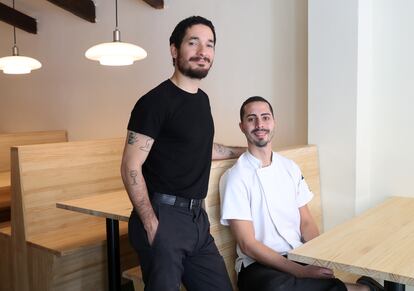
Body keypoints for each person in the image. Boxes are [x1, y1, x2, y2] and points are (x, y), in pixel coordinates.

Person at [121, 16, 244, 291]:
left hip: (197, 220)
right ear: (174, 50)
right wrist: (152, 224)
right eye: (194, 42)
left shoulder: (202, 100)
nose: (203, 51)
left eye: (209, 44)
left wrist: (243, 150)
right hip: (163, 216)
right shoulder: (153, 103)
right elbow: (130, 166)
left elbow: (201, 148)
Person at [219, 96, 384, 291]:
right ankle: (362, 289)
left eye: (265, 117)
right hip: (257, 266)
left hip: (297, 254)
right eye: (251, 118)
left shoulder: (290, 168)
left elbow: (306, 222)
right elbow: (248, 244)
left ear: (274, 122)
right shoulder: (235, 177)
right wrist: (299, 271)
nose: (259, 124)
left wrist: (317, 258)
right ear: (242, 126)